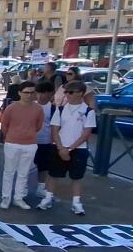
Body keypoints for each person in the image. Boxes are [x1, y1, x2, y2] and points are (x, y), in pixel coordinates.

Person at [41, 82, 96, 215]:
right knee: (53, 174)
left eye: (71, 92)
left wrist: (70, 149)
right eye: (66, 92)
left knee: (76, 177)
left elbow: (86, 133)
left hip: (78, 149)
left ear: (80, 94)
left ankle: (76, 203)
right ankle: (48, 198)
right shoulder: (60, 109)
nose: (67, 95)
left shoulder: (88, 111)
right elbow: (54, 130)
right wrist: (61, 148)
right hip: (59, 147)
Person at [0, 81, 44, 210]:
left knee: (23, 173)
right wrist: (11, 136)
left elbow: (38, 126)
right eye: (26, 93)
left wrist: (27, 134)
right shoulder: (11, 108)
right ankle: (6, 197)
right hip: (12, 143)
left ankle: (18, 198)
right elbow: (4, 125)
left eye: (32, 92)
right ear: (19, 93)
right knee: (9, 172)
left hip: (30, 144)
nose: (29, 95)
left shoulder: (38, 109)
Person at [26, 81, 57, 201]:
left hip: (45, 141)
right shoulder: (29, 105)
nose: (40, 95)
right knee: (25, 165)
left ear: (50, 94)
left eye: (43, 93)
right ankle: (22, 187)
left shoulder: (53, 108)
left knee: (43, 166)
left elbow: (55, 126)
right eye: (38, 92)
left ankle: (41, 187)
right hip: (28, 140)